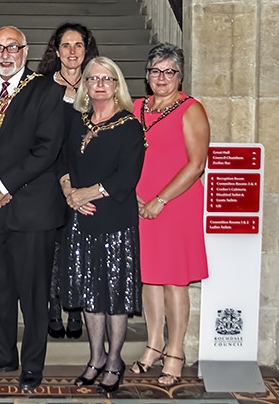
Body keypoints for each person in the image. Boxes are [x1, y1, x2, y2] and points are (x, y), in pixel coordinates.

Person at [0, 26, 66, 391]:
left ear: (25, 51)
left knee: (33, 291)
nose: (4, 55)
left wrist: (3, 185)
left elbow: (47, 149)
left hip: (33, 209)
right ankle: (1, 353)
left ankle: (32, 364)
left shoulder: (48, 91)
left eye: (12, 48)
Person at [58, 57, 145, 393]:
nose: (99, 84)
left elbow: (127, 176)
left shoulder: (129, 126)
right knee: (91, 295)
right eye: (93, 78)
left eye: (106, 79)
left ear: (116, 85)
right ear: (85, 85)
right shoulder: (77, 122)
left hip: (115, 220)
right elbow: (62, 161)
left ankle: (114, 361)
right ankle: (95, 358)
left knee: (115, 296)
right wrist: (69, 192)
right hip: (81, 220)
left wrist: (86, 192)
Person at [131, 43, 209, 386]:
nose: (161, 78)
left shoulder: (191, 109)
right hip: (138, 202)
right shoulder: (135, 107)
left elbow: (196, 165)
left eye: (169, 71)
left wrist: (159, 200)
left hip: (176, 204)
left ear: (180, 76)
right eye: (155, 71)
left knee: (175, 281)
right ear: (147, 75)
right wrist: (132, 194)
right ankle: (154, 344)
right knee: (149, 278)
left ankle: (175, 352)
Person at [36, 22, 99, 340]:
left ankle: (74, 309)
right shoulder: (41, 86)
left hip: (85, 180)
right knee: (53, 249)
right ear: (56, 51)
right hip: (49, 179)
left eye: (78, 45)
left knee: (78, 249)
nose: (72, 51)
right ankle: (52, 309)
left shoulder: (98, 85)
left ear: (86, 50)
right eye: (66, 45)